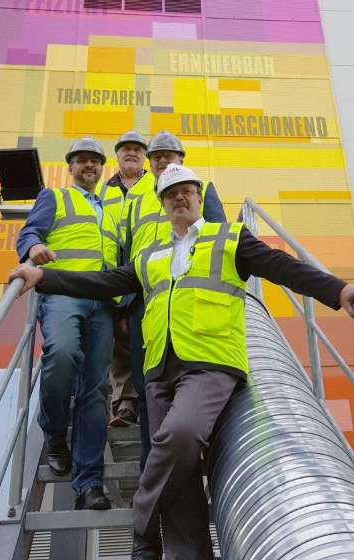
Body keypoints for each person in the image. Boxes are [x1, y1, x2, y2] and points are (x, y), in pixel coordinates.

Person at [10, 164, 354, 559]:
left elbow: (282, 266)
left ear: (199, 197)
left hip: (210, 364)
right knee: (180, 481)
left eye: (186, 191)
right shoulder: (152, 254)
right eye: (170, 194)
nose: (179, 198)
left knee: (180, 435)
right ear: (163, 204)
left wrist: (338, 290)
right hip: (159, 370)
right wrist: (44, 278)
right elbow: (104, 283)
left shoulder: (229, 238)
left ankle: (142, 532)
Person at [15, 136, 114, 511]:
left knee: (95, 391)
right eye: (82, 160)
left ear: (102, 168)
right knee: (61, 353)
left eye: (95, 161)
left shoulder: (112, 208)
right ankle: (55, 432)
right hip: (61, 293)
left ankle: (89, 484)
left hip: (103, 302)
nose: (89, 166)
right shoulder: (54, 197)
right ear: (71, 166)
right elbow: (28, 231)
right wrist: (32, 248)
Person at [122, 131, 226, 464]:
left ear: (181, 159)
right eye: (156, 157)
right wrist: (121, 305)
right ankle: (151, 463)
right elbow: (126, 248)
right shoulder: (136, 199)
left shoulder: (201, 188)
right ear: (149, 163)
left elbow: (219, 236)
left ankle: (200, 457)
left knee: (192, 379)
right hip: (144, 298)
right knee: (147, 383)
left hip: (189, 298)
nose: (162, 161)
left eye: (169, 155)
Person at [99, 130, 154, 428]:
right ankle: (124, 405)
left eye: (137, 149)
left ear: (144, 156)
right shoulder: (105, 190)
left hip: (148, 272)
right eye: (125, 150)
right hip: (114, 273)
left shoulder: (155, 184)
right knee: (119, 343)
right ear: (117, 156)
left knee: (144, 338)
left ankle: (150, 401)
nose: (131, 153)